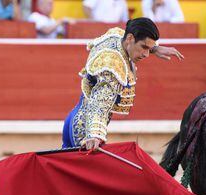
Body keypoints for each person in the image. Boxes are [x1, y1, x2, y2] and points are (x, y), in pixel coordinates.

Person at [62, 18, 184, 150]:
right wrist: (95, 135)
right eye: (144, 47)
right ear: (130, 38)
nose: (146, 54)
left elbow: (124, 35)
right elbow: (99, 104)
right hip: (84, 132)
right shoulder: (112, 66)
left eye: (149, 49)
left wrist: (155, 48)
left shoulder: (117, 36)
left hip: (76, 119)